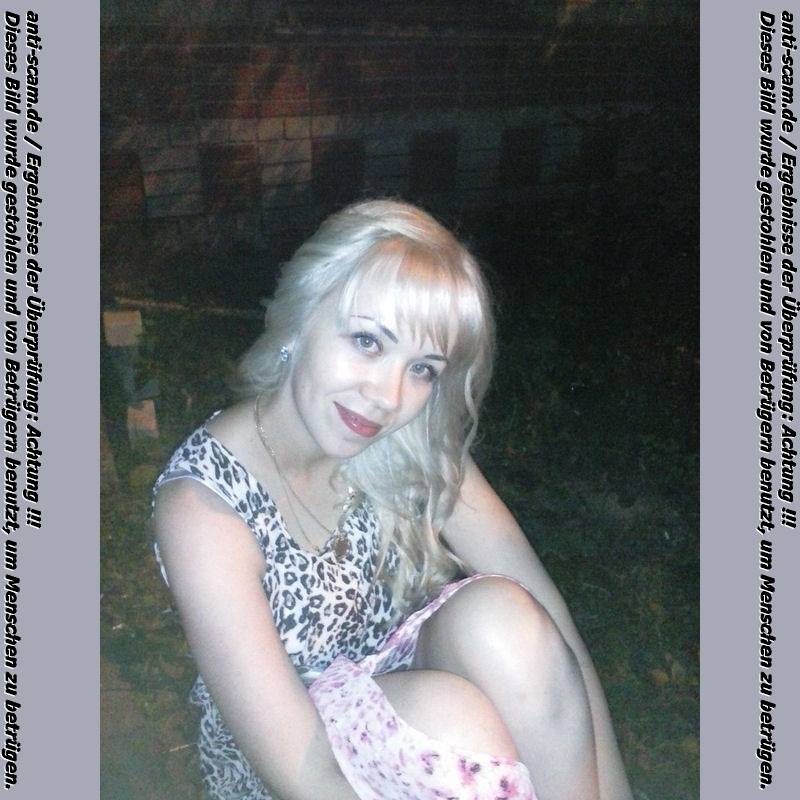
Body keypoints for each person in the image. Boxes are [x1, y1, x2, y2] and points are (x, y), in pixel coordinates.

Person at [153, 200, 632, 800]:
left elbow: (550, 624)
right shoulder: (203, 507)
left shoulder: (409, 445)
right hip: (292, 769)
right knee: (449, 719)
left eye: (423, 369)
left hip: (399, 701)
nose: (387, 396)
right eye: (367, 341)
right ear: (301, 316)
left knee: (507, 621)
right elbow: (305, 774)